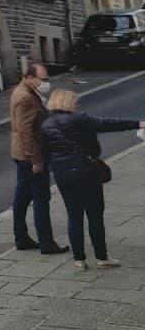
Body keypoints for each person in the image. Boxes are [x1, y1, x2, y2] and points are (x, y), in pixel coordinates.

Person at [41, 88, 144, 270]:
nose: (77, 105)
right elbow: (107, 124)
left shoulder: (46, 125)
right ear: (68, 102)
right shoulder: (79, 119)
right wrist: (138, 124)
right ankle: (101, 257)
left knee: (74, 215)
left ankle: (79, 259)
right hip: (85, 169)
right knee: (95, 214)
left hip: (62, 173)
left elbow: (45, 153)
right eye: (75, 102)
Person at [9, 62, 66, 255]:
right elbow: (25, 131)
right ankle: (46, 242)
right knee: (41, 197)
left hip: (20, 154)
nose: (46, 82)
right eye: (43, 79)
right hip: (30, 155)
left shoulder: (25, 91)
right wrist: (36, 160)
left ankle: (21, 237)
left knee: (22, 195)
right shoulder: (26, 97)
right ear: (30, 78)